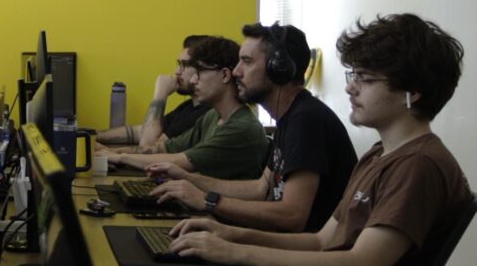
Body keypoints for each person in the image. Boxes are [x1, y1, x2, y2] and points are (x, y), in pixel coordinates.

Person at [167, 14, 471, 266]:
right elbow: (320, 242)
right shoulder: (379, 155)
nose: (350, 87)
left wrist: (237, 251)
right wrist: (231, 235)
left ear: (412, 93)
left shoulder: (418, 165)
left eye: (365, 79)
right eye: (354, 76)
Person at [149, 23, 357, 232]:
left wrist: (208, 201)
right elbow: (260, 189)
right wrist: (187, 179)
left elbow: (292, 215)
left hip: (302, 250)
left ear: (278, 68)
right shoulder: (289, 118)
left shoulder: (306, 120)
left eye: (247, 61)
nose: (236, 71)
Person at [99, 36, 268, 180]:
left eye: (199, 72)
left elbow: (179, 161)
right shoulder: (212, 117)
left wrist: (119, 157)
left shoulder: (239, 128)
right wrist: (110, 153)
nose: (193, 80)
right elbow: (163, 148)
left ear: (224, 75)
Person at [97, 35, 211, 147]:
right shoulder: (188, 106)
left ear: (202, 69)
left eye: (185, 65)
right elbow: (141, 132)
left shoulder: (205, 113)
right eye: (179, 64)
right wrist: (92, 135)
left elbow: (147, 146)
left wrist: (160, 94)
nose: (177, 71)